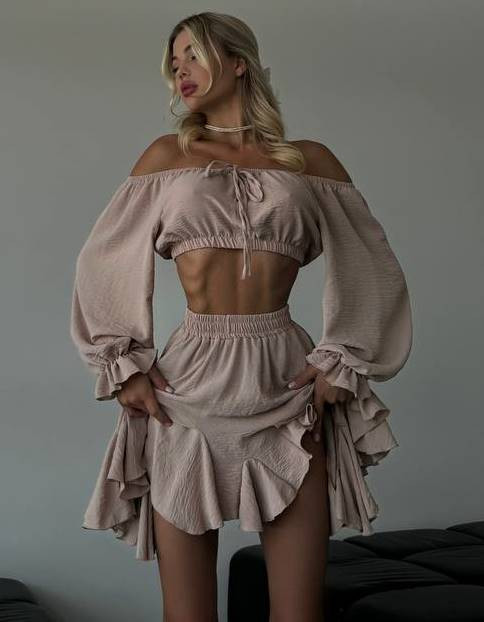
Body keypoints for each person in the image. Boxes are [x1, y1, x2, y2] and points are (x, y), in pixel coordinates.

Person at [70, 11, 413, 622]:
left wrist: (346, 358)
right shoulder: (166, 157)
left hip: (285, 381)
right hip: (186, 389)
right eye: (174, 61)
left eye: (194, 55)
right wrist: (124, 366)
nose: (180, 71)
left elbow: (372, 263)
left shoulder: (309, 161)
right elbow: (104, 261)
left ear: (237, 62)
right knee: (188, 615)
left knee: (299, 613)